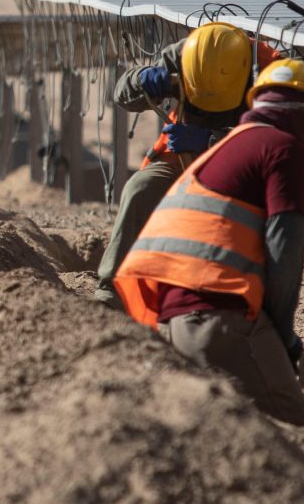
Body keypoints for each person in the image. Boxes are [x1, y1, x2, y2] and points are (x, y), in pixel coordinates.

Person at [112, 57, 304, 426]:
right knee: (298, 427)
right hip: (218, 319)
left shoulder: (229, 145)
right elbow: (285, 244)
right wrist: (282, 334)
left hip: (168, 319)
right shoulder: (282, 147)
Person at [90, 21, 278, 302]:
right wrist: (141, 78)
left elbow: (276, 144)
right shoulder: (189, 54)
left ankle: (235, 294)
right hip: (182, 157)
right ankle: (112, 290)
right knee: (141, 188)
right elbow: (123, 96)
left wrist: (212, 143)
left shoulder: (273, 73)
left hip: (245, 169)